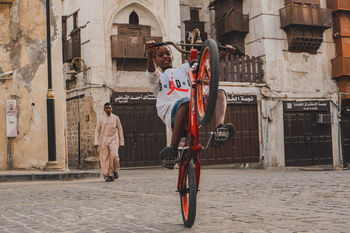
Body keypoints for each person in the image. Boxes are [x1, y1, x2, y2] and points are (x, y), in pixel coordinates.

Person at [145, 40, 235, 169]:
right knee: (186, 103)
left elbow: (205, 65)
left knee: (219, 93)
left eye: (167, 54)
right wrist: (149, 54)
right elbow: (151, 70)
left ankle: (219, 129)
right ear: (155, 60)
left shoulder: (184, 68)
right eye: (160, 55)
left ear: (172, 56)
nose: (165, 56)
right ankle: (173, 149)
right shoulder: (157, 77)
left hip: (194, 108)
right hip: (174, 114)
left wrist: (223, 53)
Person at [94, 103, 124, 182]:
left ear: (111, 109)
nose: (108, 109)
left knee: (114, 156)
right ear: (104, 109)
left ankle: (115, 170)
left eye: (109, 108)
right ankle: (109, 175)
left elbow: (120, 129)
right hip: (104, 140)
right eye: (106, 108)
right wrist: (96, 142)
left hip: (114, 139)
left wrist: (121, 142)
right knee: (105, 159)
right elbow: (97, 130)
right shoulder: (101, 119)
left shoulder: (116, 118)